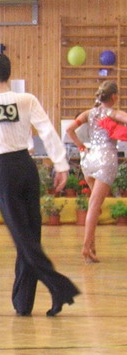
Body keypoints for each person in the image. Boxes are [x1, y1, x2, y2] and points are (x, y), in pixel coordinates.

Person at [0, 53, 79, 317]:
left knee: (23, 238)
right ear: (9, 74)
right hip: (26, 166)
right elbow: (47, 131)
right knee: (30, 235)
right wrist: (61, 165)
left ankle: (59, 287)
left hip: (5, 169)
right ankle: (23, 302)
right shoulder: (27, 100)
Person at [65, 80, 122, 263]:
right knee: (95, 206)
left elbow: (69, 129)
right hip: (106, 160)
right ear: (114, 97)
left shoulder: (89, 113)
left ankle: (92, 247)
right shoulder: (113, 113)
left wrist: (81, 146)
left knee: (94, 206)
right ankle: (85, 247)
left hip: (89, 160)